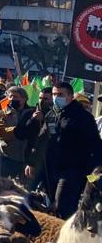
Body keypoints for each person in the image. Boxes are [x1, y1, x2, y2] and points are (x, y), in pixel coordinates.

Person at [20, 81, 102, 218]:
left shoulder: (83, 117)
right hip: (51, 169)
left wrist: (95, 171)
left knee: (62, 207)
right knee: (46, 204)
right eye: (54, 94)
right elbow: (41, 140)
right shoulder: (52, 114)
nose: (56, 97)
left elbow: (95, 145)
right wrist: (32, 163)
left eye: (60, 94)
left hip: (73, 171)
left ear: (70, 96)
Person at [0, 86, 31, 179]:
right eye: (10, 96)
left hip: (26, 158)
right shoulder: (2, 113)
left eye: (15, 97)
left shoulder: (31, 113)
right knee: (3, 186)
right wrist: (16, 130)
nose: (12, 99)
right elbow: (0, 132)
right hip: (7, 156)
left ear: (24, 99)